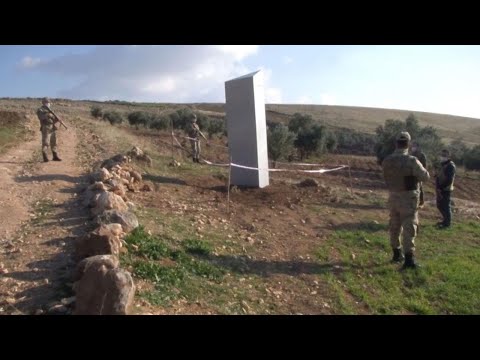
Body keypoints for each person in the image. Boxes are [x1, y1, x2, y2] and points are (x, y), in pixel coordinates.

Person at [382, 131, 430, 269]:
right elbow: (425, 177)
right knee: (409, 228)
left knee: (394, 225)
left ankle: (396, 254)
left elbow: (385, 177)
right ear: (408, 144)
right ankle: (409, 260)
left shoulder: (387, 160)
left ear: (396, 143)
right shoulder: (412, 161)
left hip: (393, 196)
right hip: (408, 199)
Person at [36, 97, 62, 162]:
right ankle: (45, 157)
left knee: (54, 142)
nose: (48, 103)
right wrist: (48, 115)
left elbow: (54, 119)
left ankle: (55, 156)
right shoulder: (40, 110)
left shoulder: (51, 110)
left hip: (53, 127)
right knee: (46, 142)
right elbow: (41, 118)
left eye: (48, 102)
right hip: (46, 127)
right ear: (43, 103)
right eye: (46, 102)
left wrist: (57, 119)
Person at [435, 149, 456, 229]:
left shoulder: (451, 166)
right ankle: (445, 220)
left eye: (444, 155)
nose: (442, 157)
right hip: (440, 188)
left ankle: (447, 223)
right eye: (442, 155)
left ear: (448, 156)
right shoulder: (442, 164)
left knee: (445, 206)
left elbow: (449, 180)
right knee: (439, 205)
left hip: (446, 189)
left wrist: (441, 187)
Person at [410, 141, 427, 207]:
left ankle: (421, 201)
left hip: (418, 174)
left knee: (419, 187)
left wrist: (422, 173)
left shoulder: (421, 155)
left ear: (417, 147)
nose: (413, 147)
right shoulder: (410, 154)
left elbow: (424, 165)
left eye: (414, 146)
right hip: (411, 173)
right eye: (412, 146)